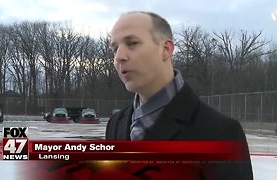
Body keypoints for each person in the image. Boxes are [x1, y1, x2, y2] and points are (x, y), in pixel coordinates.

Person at [106, 11, 253, 179]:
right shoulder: (116, 124)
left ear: (166, 49)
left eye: (132, 43)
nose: (119, 57)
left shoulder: (221, 133)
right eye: (115, 49)